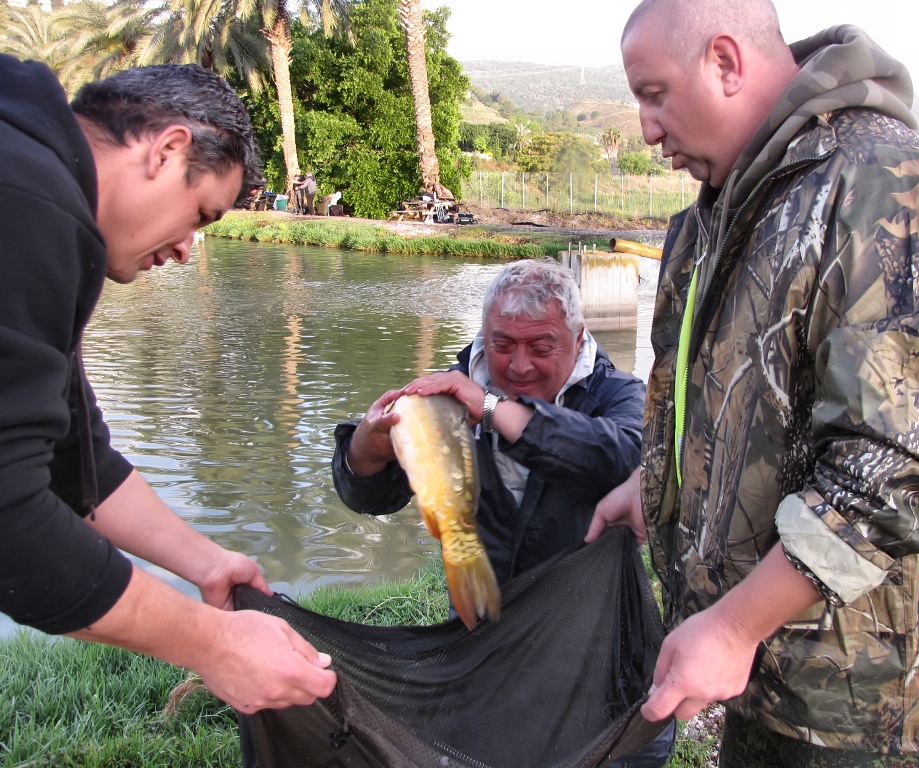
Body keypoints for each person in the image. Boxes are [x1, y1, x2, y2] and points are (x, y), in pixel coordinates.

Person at [587, 1, 919, 766]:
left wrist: (731, 629)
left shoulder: (892, 195)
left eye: (653, 94)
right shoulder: (717, 210)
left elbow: (901, 472)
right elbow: (726, 391)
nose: (647, 129)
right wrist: (652, 480)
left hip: (863, 697)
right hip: (767, 669)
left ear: (725, 61)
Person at [0, 58, 337, 714]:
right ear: (167, 149)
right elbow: (9, 519)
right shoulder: (32, 203)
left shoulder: (35, 181)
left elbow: (77, 460)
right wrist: (212, 642)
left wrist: (206, 562)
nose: (187, 249)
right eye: (200, 215)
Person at [333, 259, 673, 765]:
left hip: (592, 642)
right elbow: (370, 497)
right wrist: (367, 445)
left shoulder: (614, 394)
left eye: (540, 348)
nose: (518, 366)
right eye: (502, 345)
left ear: (578, 340)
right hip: (482, 633)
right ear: (483, 335)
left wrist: (495, 409)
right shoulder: (447, 395)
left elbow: (627, 457)